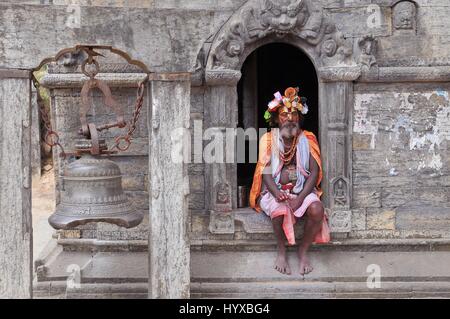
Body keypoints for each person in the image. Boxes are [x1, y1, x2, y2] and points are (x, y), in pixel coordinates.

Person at [249, 87, 330, 276]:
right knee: (278, 211)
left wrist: (301, 198)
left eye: (294, 114)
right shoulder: (268, 139)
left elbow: (314, 171)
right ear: (277, 119)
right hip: (273, 191)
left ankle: (303, 251)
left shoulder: (308, 138)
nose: (290, 119)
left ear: (299, 118)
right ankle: (282, 250)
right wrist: (277, 193)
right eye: (284, 115)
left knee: (317, 209)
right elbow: (265, 170)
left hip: (301, 191)